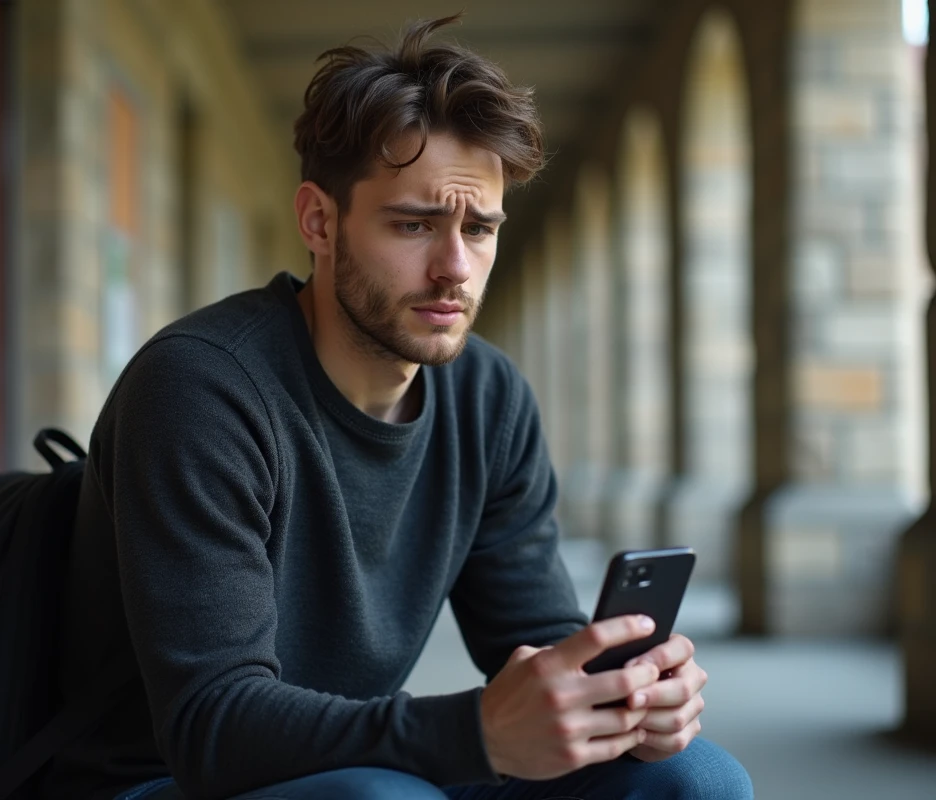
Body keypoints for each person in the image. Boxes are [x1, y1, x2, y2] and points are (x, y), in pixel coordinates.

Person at [45, 14, 754, 800]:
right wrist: (478, 733)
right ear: (319, 221)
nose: (455, 268)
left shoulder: (489, 398)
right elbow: (212, 724)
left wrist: (618, 698)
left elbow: (534, 637)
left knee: (696, 779)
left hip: (357, 765)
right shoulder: (201, 388)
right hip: (162, 777)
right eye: (414, 225)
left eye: (479, 228)